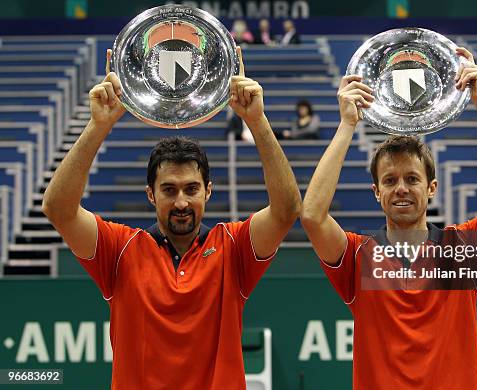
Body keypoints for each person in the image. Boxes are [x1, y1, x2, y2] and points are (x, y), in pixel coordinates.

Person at [41, 48, 301, 389]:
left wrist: (256, 121)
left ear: (208, 191)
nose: (181, 202)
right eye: (169, 190)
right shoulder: (120, 249)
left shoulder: (233, 247)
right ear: (151, 194)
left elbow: (286, 210)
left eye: (191, 189)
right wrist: (97, 126)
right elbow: (58, 209)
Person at [301, 48, 477, 389]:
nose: (401, 188)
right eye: (390, 180)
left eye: (411, 179)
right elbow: (311, 216)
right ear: (376, 191)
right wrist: (347, 125)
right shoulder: (358, 257)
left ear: (431, 188)